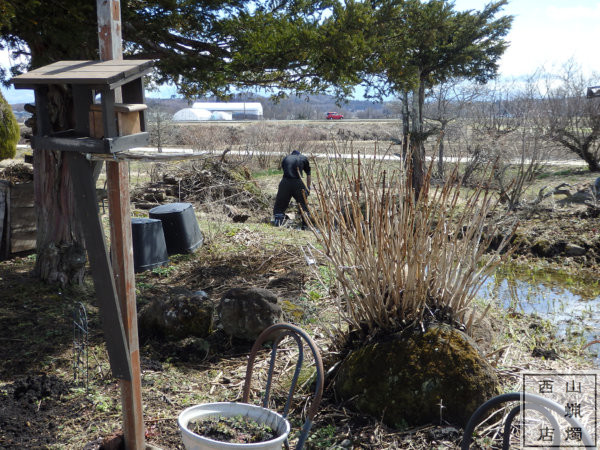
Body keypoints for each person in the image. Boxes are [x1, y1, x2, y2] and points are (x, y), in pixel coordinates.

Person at [273, 149, 311, 227]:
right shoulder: (303, 158)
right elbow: (308, 174)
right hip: (298, 183)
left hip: (285, 183)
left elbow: (285, 170)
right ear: (299, 154)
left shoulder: (286, 158)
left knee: (279, 206)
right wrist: (308, 188)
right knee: (303, 205)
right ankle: (306, 226)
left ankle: (278, 224)